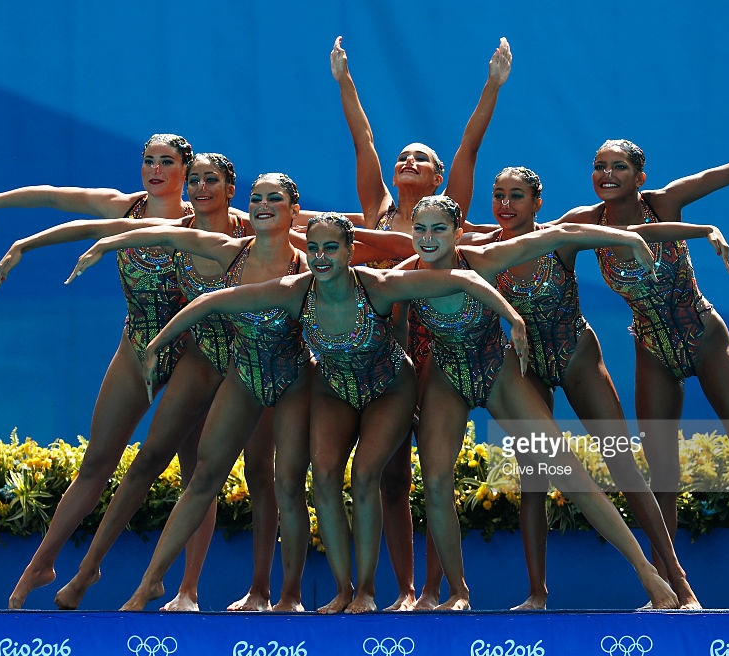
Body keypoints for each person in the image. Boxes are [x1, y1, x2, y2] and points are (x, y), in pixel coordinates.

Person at [554, 139, 729, 608]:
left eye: (619, 166)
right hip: (652, 348)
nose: (607, 174)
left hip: (704, 338)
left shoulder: (665, 202)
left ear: (640, 177)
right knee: (662, 472)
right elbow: (523, 237)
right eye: (599, 166)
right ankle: (670, 586)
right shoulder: (586, 222)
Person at [386, 194, 694, 610]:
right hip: (446, 377)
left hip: (497, 370)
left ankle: (647, 571)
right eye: (419, 229)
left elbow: (563, 234)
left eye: (438, 228)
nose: (427, 237)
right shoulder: (404, 277)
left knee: (566, 471)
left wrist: (630, 240)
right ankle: (457, 591)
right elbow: (387, 325)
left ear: (458, 233)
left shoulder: (483, 258)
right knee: (437, 483)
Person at [0, 134, 231, 611]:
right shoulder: (126, 207)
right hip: (137, 347)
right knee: (96, 462)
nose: (155, 169)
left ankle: (187, 589)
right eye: (148, 160)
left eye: (166, 162)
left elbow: (291, 222)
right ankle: (44, 561)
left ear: (186, 170)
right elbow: (55, 196)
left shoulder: (205, 220)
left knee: (197, 473)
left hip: (193, 357)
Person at [71, 173, 313, 612]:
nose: (262, 204)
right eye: (257, 197)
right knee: (203, 474)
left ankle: (280, 594)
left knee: (279, 481)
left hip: (290, 380)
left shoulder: (309, 264)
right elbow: (202, 299)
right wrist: (92, 246)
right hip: (244, 373)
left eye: (274, 198)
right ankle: (149, 585)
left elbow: (365, 273)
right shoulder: (229, 251)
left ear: (294, 210)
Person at [329, 35, 511, 610]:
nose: (408, 163)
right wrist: (344, 82)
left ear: (437, 183)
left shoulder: (445, 214)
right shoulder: (375, 209)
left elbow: (469, 147)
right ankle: (405, 589)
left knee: (436, 476)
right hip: (380, 357)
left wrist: (492, 86)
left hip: (435, 355)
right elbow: (364, 138)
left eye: (421, 160)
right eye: (404, 158)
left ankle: (438, 587)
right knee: (388, 478)